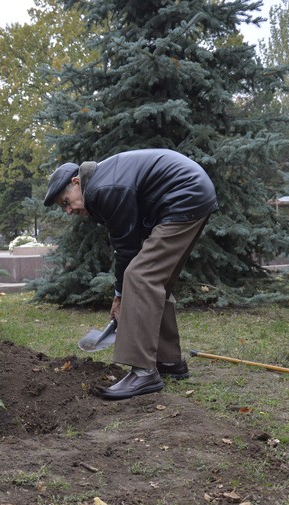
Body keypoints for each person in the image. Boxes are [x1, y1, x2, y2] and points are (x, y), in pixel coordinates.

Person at [43, 149, 218, 400]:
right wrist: (120, 296)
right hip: (191, 194)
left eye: (65, 202)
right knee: (156, 280)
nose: (68, 211)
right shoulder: (102, 183)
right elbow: (129, 240)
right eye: (63, 207)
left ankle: (143, 372)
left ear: (76, 182)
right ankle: (168, 362)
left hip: (184, 195)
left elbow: (127, 248)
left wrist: (120, 296)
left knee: (139, 277)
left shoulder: (103, 189)